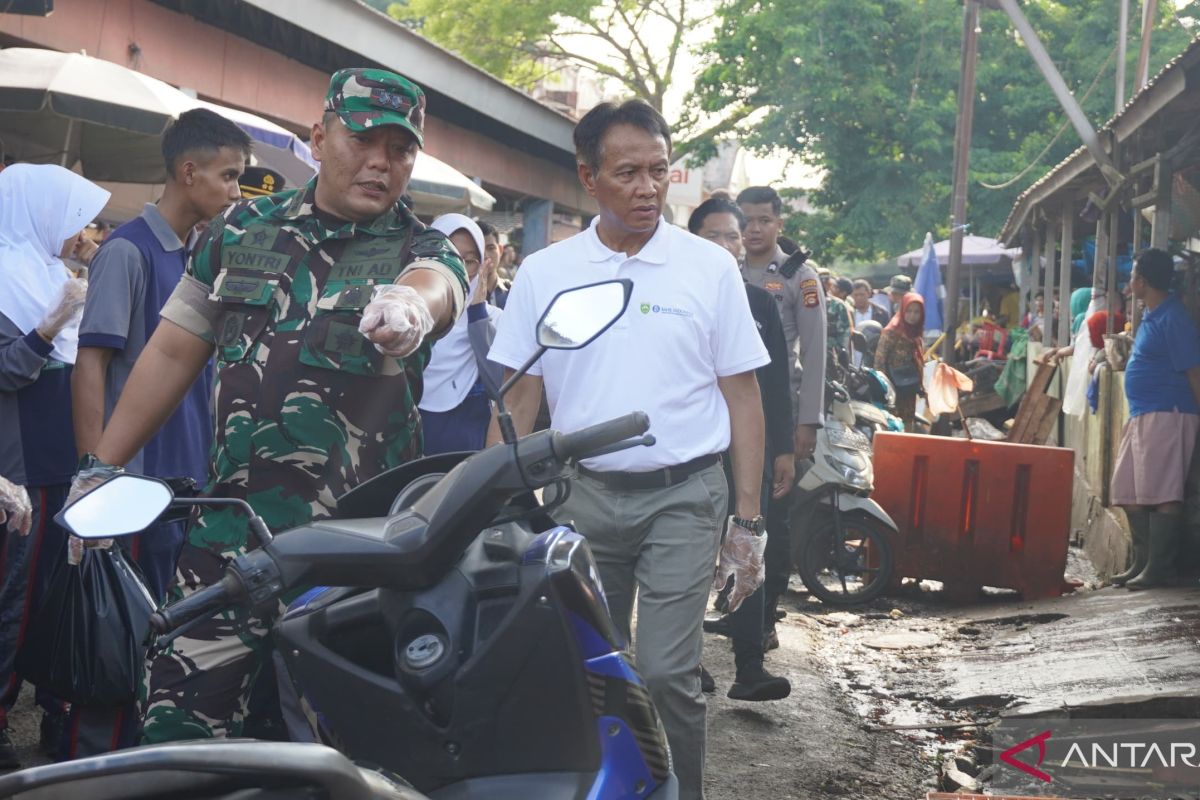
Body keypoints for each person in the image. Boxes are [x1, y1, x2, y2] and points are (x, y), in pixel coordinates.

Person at [68, 68, 468, 744]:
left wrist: (410, 306)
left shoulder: (421, 249)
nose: (380, 163)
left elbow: (435, 289)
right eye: (364, 140)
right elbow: (170, 352)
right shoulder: (240, 228)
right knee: (177, 733)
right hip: (230, 543)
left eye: (400, 149)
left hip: (355, 562)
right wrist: (100, 470)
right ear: (319, 137)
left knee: (343, 755)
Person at [488, 100, 769, 799]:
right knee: (590, 672)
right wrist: (485, 505)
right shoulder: (546, 274)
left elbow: (744, 398)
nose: (648, 188)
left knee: (668, 672)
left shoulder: (707, 268)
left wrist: (749, 523)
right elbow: (517, 400)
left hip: (684, 493)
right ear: (589, 178)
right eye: (628, 173)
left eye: (658, 170)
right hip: (583, 496)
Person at [66, 110, 251, 756]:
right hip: (133, 489)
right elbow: (91, 363)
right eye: (229, 176)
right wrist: (96, 479)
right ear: (187, 170)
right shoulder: (128, 252)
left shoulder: (203, 257)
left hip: (183, 488)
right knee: (118, 650)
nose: (236, 191)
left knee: (164, 650)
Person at [0, 164, 109, 766]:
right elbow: (7, 371)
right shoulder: (5, 276)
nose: (81, 232)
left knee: (55, 595)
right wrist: (50, 325)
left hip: (62, 462)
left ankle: (54, 714)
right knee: (12, 600)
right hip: (18, 471)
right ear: (37, 211)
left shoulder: (47, 271)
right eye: (72, 218)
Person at [688, 196, 791, 702]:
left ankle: (750, 665)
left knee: (748, 547)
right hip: (694, 449)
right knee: (691, 554)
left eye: (735, 236)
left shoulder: (761, 303)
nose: (729, 245)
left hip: (746, 449)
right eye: (716, 236)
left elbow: (773, 388)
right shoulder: (679, 298)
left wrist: (784, 449)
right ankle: (687, 661)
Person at [737, 185, 826, 646]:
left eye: (763, 221)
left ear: (779, 224)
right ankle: (731, 603)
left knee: (773, 516)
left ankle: (766, 613)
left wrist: (805, 422)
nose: (753, 229)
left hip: (777, 409)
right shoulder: (722, 268)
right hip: (727, 410)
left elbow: (814, 354)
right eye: (746, 220)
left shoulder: (799, 278)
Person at [1109, 248, 1200, 590]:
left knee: (1164, 493)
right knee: (1127, 488)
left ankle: (1159, 568)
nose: (1129, 281)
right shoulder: (1152, 314)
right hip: (1144, 413)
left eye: (1132, 275)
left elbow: (1194, 372)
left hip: (1169, 412)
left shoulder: (1174, 318)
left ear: (1142, 281)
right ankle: (1142, 561)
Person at [419, 214, 503, 454]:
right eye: (448, 256)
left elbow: (499, 385)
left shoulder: (492, 318)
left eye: (469, 261)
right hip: (409, 446)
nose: (459, 271)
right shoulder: (409, 312)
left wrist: (477, 315)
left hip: (462, 458)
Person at [876, 293, 926, 429]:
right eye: (908, 311)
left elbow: (919, 361)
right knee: (892, 423)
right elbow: (880, 360)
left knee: (908, 422)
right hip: (892, 387)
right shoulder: (891, 332)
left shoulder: (917, 333)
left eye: (917, 312)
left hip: (909, 387)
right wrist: (883, 388)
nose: (912, 315)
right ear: (902, 310)